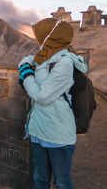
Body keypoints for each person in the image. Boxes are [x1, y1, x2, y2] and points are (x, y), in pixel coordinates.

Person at [18, 18, 87, 189]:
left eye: (41, 36)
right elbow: (29, 59)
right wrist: (26, 63)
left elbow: (42, 96)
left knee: (62, 183)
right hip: (38, 131)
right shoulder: (46, 56)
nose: (38, 41)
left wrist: (26, 74)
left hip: (57, 134)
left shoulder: (64, 63)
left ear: (50, 37)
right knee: (40, 180)